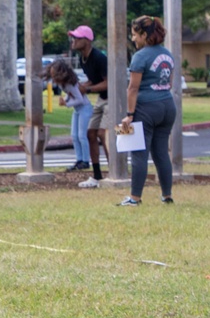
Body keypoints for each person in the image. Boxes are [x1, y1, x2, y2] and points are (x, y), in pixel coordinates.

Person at [118, 15, 177, 206]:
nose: (133, 38)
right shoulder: (168, 54)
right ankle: (167, 196)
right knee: (161, 153)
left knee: (139, 153)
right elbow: (169, 83)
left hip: (146, 108)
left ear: (145, 34)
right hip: (167, 106)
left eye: (135, 34)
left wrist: (129, 115)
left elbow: (133, 88)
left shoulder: (140, 56)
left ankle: (135, 198)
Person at [69, 25, 110, 187]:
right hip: (101, 98)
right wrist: (79, 87)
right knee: (90, 133)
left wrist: (87, 89)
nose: (74, 41)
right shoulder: (82, 59)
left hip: (113, 99)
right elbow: (94, 80)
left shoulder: (99, 58)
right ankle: (97, 175)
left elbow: (108, 82)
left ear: (87, 40)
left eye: (77, 38)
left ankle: (115, 172)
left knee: (104, 134)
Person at [49, 59, 93, 175]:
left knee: (82, 135)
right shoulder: (63, 84)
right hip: (78, 110)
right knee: (74, 135)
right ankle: (79, 160)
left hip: (84, 108)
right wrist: (66, 99)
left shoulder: (70, 84)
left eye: (54, 74)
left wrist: (66, 104)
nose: (52, 76)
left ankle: (85, 160)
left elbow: (79, 99)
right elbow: (70, 95)